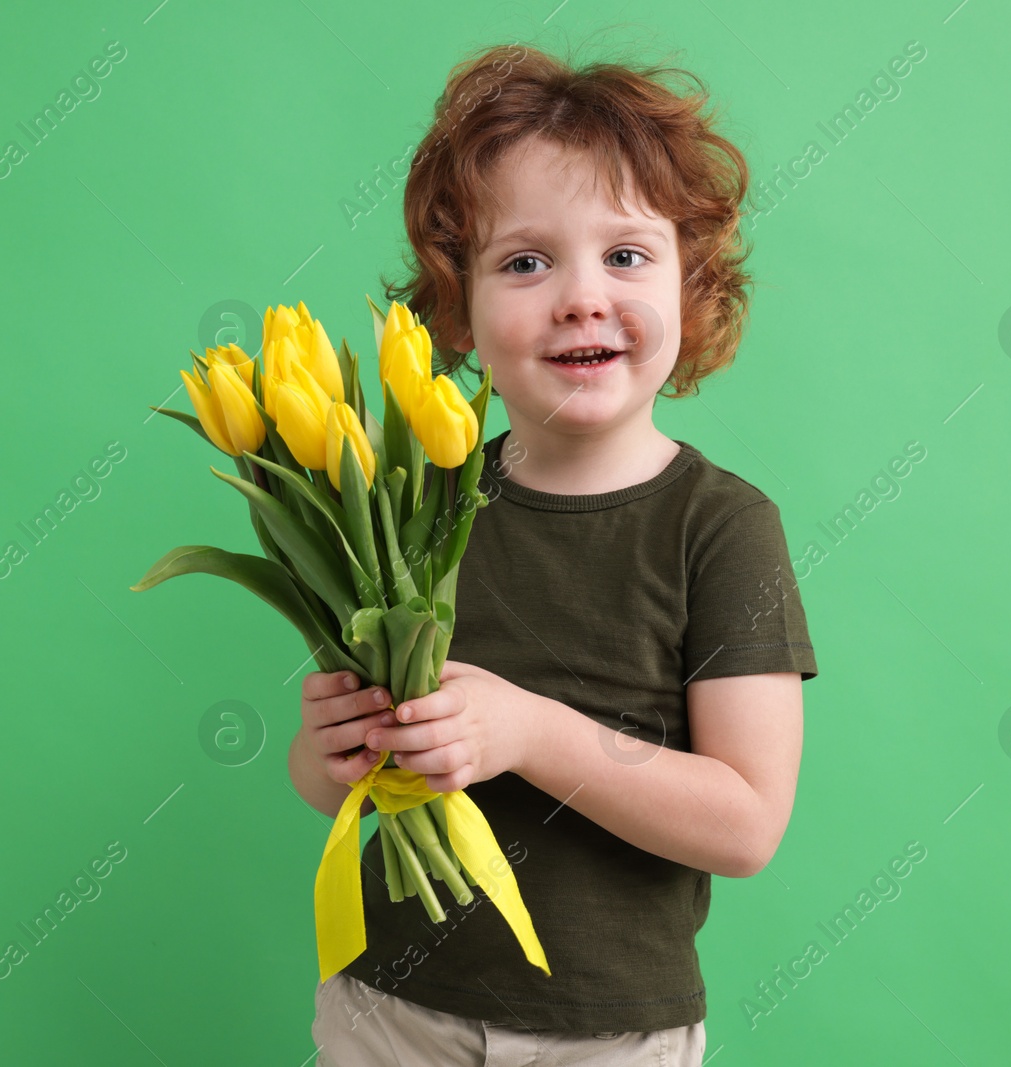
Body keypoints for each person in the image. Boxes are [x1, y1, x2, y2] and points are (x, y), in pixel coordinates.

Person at [287, 39, 818, 1067]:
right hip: (384, 1007)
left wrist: (526, 729)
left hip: (608, 1032)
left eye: (625, 255)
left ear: (691, 284)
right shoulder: (405, 503)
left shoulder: (721, 525)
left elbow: (747, 821)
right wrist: (328, 749)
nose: (580, 296)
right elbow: (332, 782)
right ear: (459, 310)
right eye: (524, 261)